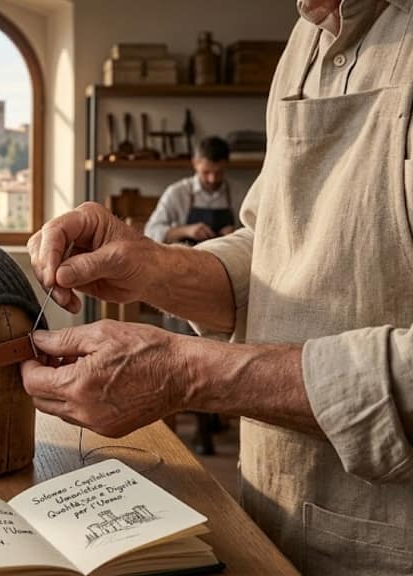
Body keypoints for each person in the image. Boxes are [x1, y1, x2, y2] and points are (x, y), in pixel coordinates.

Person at [23, 1, 413, 573]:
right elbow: (279, 249)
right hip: (273, 516)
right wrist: (155, 267)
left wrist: (187, 372)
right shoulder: (306, 35)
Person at [143, 136, 239, 245]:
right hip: (184, 259)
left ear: (227, 164)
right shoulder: (177, 192)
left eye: (219, 172)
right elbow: (150, 232)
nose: (212, 179)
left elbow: (253, 234)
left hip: (226, 259)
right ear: (195, 163)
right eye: (206, 172)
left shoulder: (238, 193)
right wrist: (185, 231)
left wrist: (237, 233)